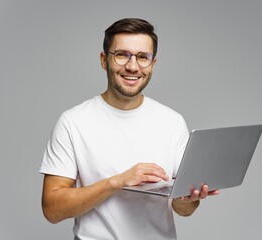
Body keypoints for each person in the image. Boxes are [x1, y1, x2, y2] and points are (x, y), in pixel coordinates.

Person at [39, 18, 219, 240]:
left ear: (153, 64)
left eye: (143, 57)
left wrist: (188, 201)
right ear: (104, 60)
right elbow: (52, 210)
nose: (133, 66)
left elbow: (182, 210)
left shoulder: (172, 122)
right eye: (122, 54)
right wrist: (116, 182)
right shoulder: (73, 122)